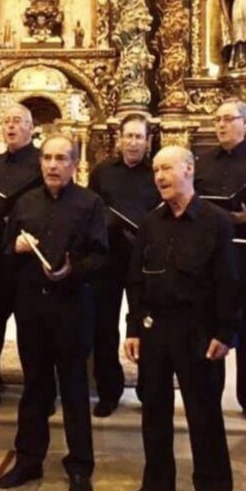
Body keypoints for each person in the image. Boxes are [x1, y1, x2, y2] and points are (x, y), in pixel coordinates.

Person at [124, 146, 238, 491]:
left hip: (199, 332)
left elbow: (229, 281)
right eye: (156, 169)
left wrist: (225, 332)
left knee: (204, 416)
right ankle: (157, 483)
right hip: (156, 330)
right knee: (154, 412)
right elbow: (135, 280)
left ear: (188, 169)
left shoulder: (216, 220)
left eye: (167, 168)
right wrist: (133, 329)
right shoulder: (150, 223)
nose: (159, 176)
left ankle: (214, 489)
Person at [0, 134, 108, 491]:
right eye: (47, 158)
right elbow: (5, 254)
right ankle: (28, 461)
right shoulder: (25, 203)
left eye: (61, 158)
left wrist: (71, 270)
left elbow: (100, 256)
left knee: (75, 388)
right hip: (33, 308)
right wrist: (14, 247)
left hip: (73, 306)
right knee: (34, 388)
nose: (53, 165)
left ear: (75, 165)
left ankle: (79, 466)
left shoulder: (90, 203)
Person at [0, 103, 44, 412]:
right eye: (7, 122)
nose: (11, 127)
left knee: (33, 332)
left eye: (18, 121)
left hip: (27, 260)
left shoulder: (43, 162)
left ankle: (39, 393)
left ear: (31, 128)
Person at [194, 99, 246, 425]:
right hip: (211, 256)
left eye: (228, 119)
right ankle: (209, 398)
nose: (220, 125)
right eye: (217, 119)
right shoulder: (202, 163)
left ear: (245, 124)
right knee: (212, 326)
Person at [88, 114, 159, 416]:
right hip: (108, 259)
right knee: (103, 328)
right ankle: (109, 391)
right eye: (128, 136)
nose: (132, 142)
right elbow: (92, 211)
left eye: (138, 137)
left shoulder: (156, 172)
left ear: (148, 141)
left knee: (146, 325)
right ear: (119, 139)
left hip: (145, 261)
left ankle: (149, 391)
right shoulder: (103, 171)